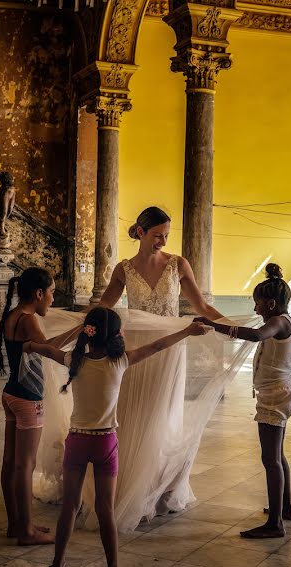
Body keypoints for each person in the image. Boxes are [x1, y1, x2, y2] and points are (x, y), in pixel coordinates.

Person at [26, 307, 210, 567]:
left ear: (88, 332)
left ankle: (57, 565)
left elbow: (44, 349)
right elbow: (158, 345)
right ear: (116, 335)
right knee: (105, 510)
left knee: (70, 507)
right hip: (105, 443)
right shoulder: (120, 362)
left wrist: (27, 345)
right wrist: (187, 330)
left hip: (77, 440)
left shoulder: (74, 362)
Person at [90, 207, 230, 526]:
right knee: (133, 412)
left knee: (162, 414)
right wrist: (75, 323)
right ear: (140, 232)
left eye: (166, 235)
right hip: (137, 349)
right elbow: (103, 307)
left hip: (171, 349)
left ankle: (157, 489)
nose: (162, 241)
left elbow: (202, 307)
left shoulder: (178, 264)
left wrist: (233, 327)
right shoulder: (123, 269)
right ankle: (128, 485)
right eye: (157, 235)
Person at [195, 263, 291, 538]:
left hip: (275, 396)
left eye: (258, 304)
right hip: (281, 391)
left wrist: (214, 326)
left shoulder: (277, 322)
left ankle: (275, 524)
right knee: (278, 455)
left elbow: (255, 335)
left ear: (271, 303)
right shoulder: (289, 323)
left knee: (270, 459)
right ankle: (284, 509)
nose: (255, 311)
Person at [0, 267, 77, 546]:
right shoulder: (29, 319)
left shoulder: (13, 315)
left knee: (10, 463)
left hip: (10, 394)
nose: (53, 300)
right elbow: (51, 350)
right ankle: (28, 531)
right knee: (25, 465)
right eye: (52, 293)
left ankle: (15, 525)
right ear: (38, 293)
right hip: (28, 400)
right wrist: (81, 329)